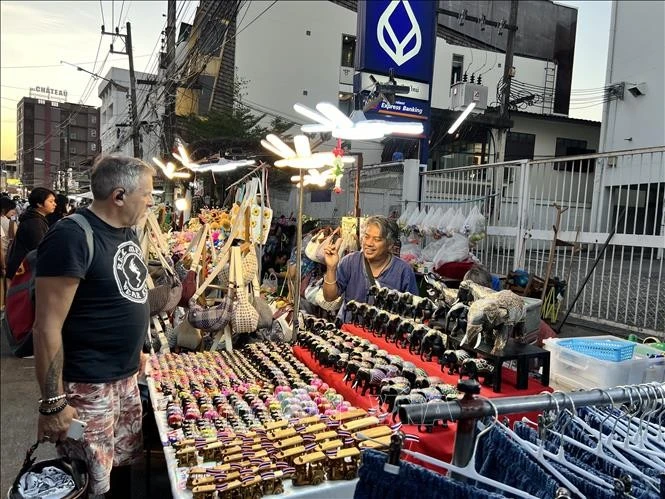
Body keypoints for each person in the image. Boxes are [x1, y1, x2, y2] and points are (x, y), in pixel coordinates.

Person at [33, 155, 154, 498]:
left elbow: (125, 291)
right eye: (146, 194)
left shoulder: (126, 231)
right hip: (89, 387)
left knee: (121, 470)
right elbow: (46, 328)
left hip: (125, 378)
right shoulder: (71, 236)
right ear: (119, 195)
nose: (150, 200)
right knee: (91, 483)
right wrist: (53, 404)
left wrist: (137, 349)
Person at [322, 216, 418, 317]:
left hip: (384, 330)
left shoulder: (403, 271)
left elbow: (412, 311)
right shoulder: (350, 262)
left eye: (377, 239)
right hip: (349, 329)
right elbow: (329, 297)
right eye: (366, 237)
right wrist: (331, 268)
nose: (369, 243)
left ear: (390, 245)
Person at [5, 187, 56, 280]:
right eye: (51, 201)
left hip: (22, 267)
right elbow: (38, 249)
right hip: (25, 270)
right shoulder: (35, 222)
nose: (55, 204)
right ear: (39, 204)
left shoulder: (34, 218)